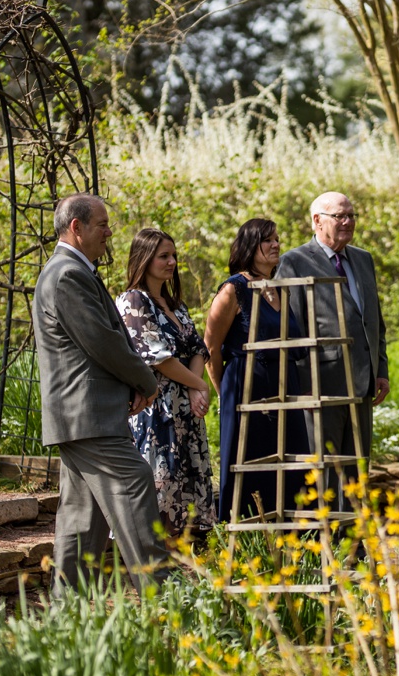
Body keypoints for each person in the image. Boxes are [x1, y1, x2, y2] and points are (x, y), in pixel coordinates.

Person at [33, 193, 169, 595]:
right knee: (136, 480)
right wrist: (145, 380)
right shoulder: (66, 275)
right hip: (86, 413)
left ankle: (66, 618)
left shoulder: (72, 271)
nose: (110, 233)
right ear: (77, 227)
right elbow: (103, 341)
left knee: (83, 519)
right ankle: (166, 601)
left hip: (81, 415)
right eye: (102, 225)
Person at [277, 192, 389, 509]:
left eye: (351, 215)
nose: (348, 222)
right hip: (320, 385)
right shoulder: (294, 262)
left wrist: (381, 370)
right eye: (340, 216)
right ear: (317, 220)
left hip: (362, 383)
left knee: (357, 470)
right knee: (323, 469)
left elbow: (374, 320)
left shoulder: (363, 259)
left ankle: (355, 546)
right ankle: (325, 547)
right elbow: (290, 327)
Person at [204, 218, 310, 520]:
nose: (276, 245)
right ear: (250, 246)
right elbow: (210, 347)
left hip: (285, 389)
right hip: (247, 389)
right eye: (267, 240)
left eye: (277, 238)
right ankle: (250, 544)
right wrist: (225, 393)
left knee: (292, 464)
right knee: (252, 463)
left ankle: (295, 543)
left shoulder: (279, 289)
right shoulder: (233, 289)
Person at [115, 228, 216, 537]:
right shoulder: (134, 301)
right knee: (162, 490)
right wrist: (198, 386)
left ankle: (183, 572)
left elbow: (198, 348)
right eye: (164, 256)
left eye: (174, 256)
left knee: (187, 496)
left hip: (186, 412)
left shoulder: (176, 305)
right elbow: (158, 358)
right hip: (157, 412)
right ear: (144, 259)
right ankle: (153, 566)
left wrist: (194, 385)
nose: (172, 262)